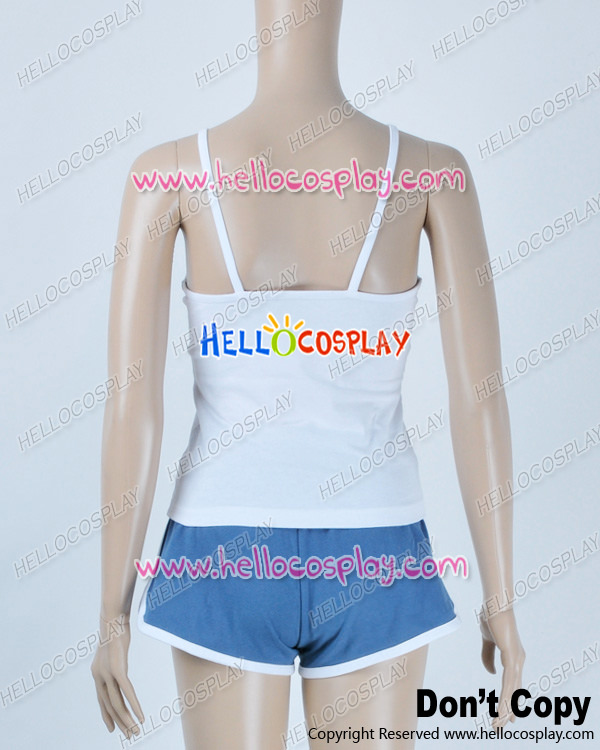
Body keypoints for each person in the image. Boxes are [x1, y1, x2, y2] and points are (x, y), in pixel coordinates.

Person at [91, 1, 525, 747]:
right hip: (376, 558)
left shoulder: (168, 174)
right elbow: (479, 399)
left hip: (224, 558)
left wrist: (112, 614)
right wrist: (503, 601)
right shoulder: (433, 174)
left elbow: (133, 405)